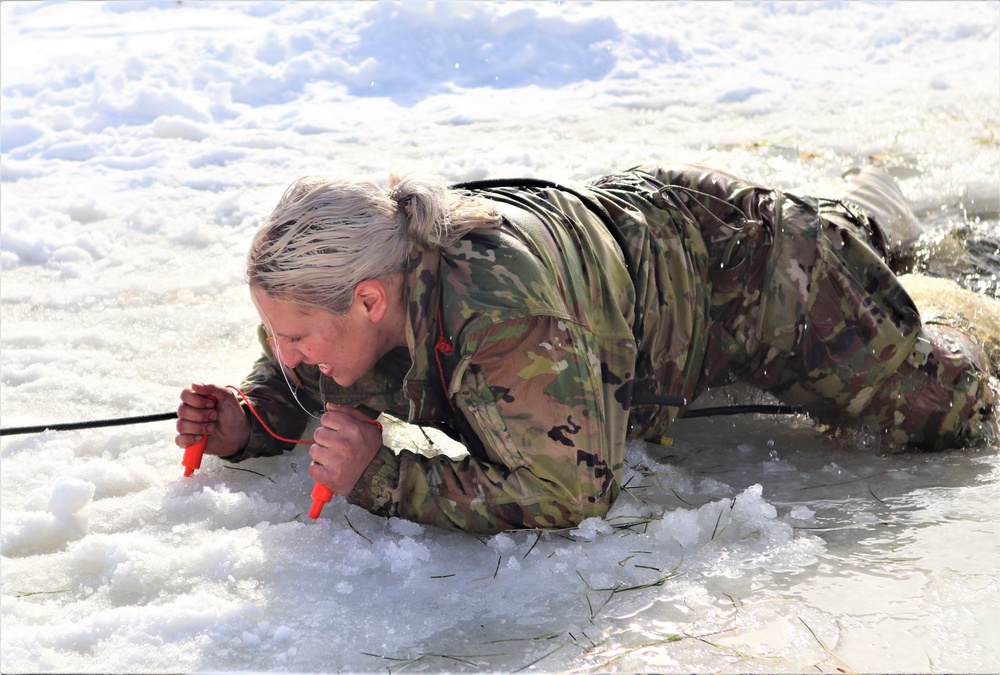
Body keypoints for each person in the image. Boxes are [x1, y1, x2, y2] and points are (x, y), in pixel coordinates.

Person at [175, 164, 999, 533]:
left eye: (294, 336)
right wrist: (248, 421)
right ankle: (865, 232)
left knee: (944, 411)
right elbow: (307, 374)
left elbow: (570, 489)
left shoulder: (499, 315)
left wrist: (379, 476)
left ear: (369, 299)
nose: (284, 352)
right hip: (635, 265)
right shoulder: (351, 298)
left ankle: (892, 246)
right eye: (273, 333)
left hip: (746, 269)